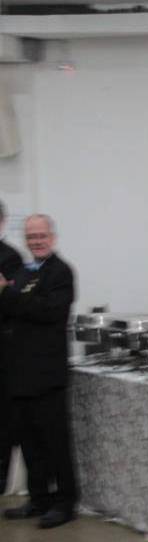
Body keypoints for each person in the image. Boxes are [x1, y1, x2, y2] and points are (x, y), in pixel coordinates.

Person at [0, 214, 77, 528]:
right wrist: (13, 298)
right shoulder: (23, 272)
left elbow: (48, 311)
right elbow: (13, 310)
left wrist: (9, 294)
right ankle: (39, 498)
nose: (37, 241)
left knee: (54, 443)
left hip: (47, 375)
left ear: (52, 237)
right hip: (20, 375)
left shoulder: (61, 272)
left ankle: (65, 503)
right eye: (31, 237)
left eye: (41, 236)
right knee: (30, 445)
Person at [0, 200, 24, 494]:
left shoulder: (11, 257)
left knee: (4, 419)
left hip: (4, 352)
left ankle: (2, 478)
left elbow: (14, 305)